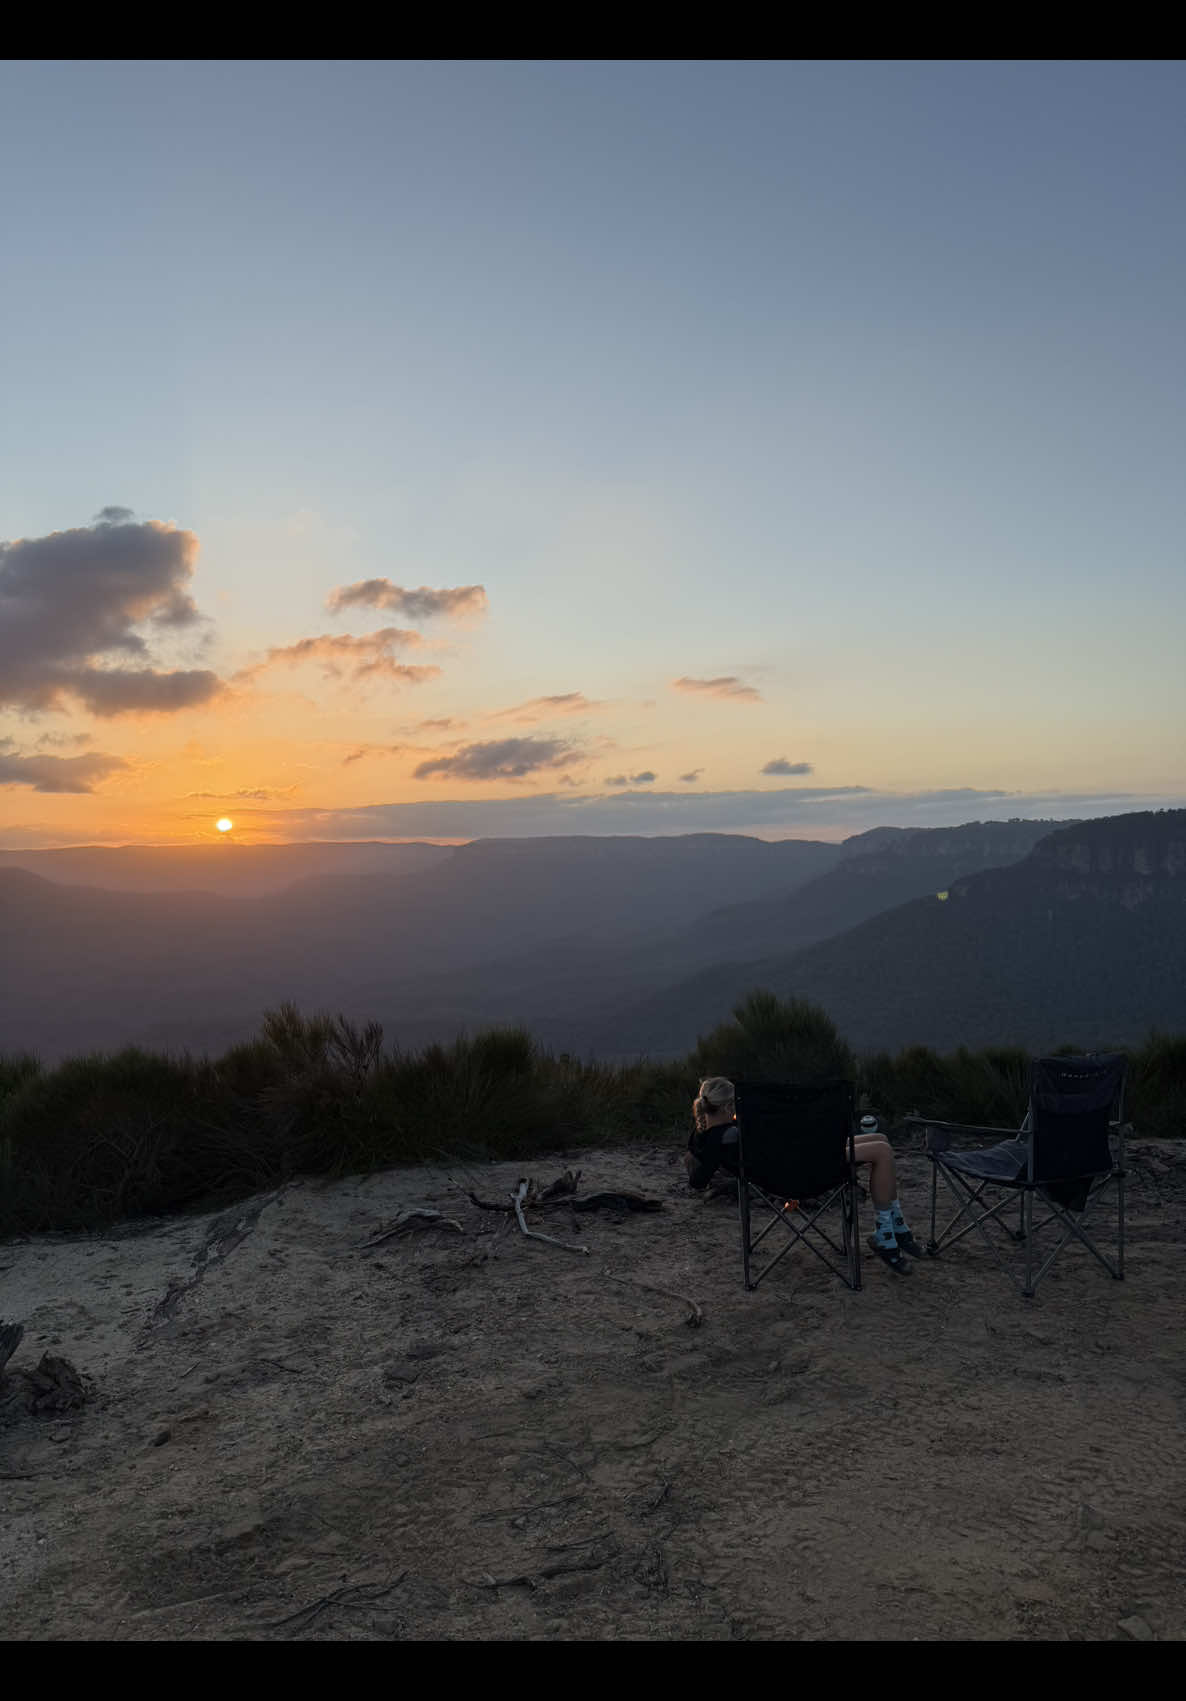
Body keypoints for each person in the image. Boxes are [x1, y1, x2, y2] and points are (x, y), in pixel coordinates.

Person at [684, 1079, 924, 1274]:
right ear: (728, 1108)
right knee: (881, 1150)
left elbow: (698, 1180)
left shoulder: (711, 1135)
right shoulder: (725, 1137)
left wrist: (698, 1156)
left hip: (795, 1166)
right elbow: (699, 1180)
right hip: (803, 1173)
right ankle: (887, 1233)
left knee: (881, 1142)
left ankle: (896, 1229)